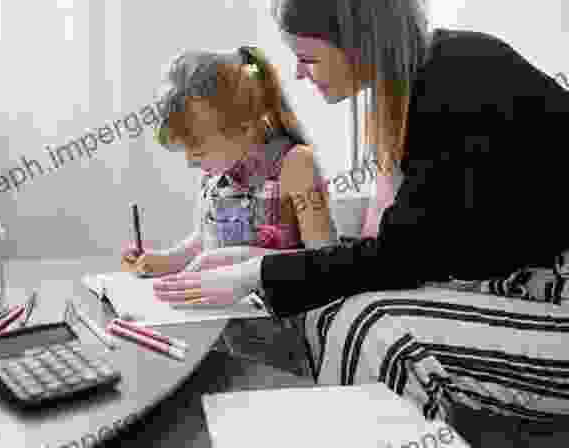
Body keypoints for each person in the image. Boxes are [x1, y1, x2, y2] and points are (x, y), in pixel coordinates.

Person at [153, 0, 569, 428]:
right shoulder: (418, 85)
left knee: (374, 329)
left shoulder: (458, 74)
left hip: (555, 290)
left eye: (308, 58)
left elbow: (401, 256)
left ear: (358, 45)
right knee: (339, 307)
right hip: (529, 283)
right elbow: (419, 247)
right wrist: (259, 265)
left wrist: (255, 273)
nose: (297, 73)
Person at [122, 46, 339, 372]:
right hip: (217, 331)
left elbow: (327, 259)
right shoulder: (215, 173)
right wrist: (160, 261)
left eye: (197, 148)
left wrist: (237, 261)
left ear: (245, 127)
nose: (190, 161)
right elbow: (202, 241)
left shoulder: (295, 165)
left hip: (281, 339)